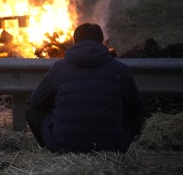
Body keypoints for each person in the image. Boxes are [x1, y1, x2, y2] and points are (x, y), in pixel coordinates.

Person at [25, 23, 144, 153]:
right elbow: (138, 108)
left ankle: (48, 150)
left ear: (74, 42)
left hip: (62, 146)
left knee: (32, 109)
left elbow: (34, 103)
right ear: (102, 42)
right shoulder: (120, 69)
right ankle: (119, 146)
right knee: (137, 113)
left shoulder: (59, 68)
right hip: (112, 147)